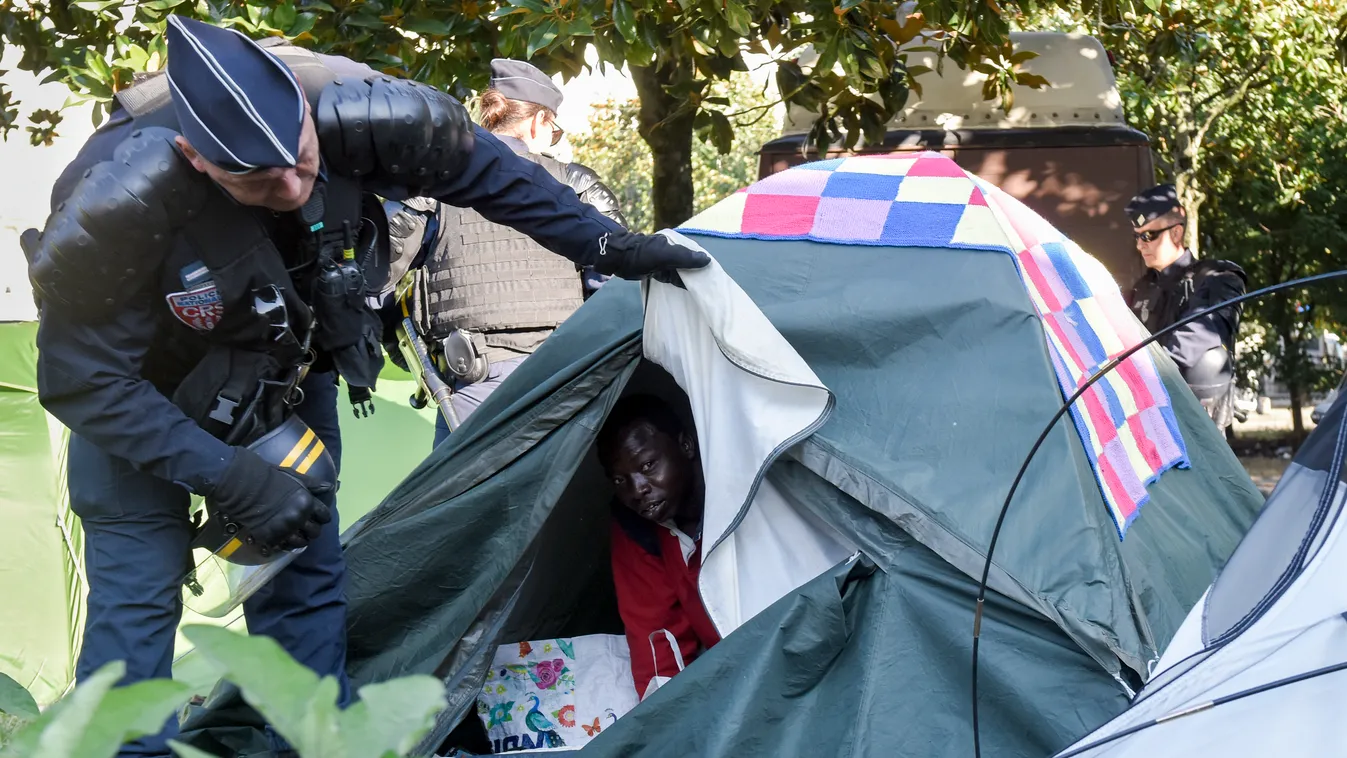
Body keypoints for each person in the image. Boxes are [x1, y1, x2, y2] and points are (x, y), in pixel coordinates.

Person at [21, 16, 707, 758]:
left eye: (302, 158)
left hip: (285, 364)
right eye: (259, 178)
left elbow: (489, 173)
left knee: (304, 572)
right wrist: (228, 476)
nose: (291, 185)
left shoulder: (357, 112)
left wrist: (603, 242)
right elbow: (79, 380)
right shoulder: (119, 200)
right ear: (196, 157)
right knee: (137, 600)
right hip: (143, 397)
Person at [382, 59, 628, 446]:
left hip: (468, 387)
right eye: (555, 130)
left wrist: (413, 361)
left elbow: (371, 282)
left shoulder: (432, 186)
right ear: (538, 123)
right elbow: (618, 289)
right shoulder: (576, 186)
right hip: (563, 382)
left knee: (463, 504)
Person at [595, 394, 720, 698]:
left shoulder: (738, 490)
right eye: (621, 480)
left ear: (686, 446)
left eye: (648, 465)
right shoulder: (637, 527)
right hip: (730, 664)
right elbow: (655, 641)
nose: (638, 489)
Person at [1123, 184, 1247, 430]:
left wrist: (1141, 374)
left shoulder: (1217, 278)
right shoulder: (1140, 289)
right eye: (1137, 236)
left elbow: (1199, 335)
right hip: (1147, 416)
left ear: (1176, 233)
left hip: (1196, 421)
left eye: (1148, 236)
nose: (1140, 245)